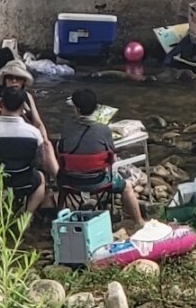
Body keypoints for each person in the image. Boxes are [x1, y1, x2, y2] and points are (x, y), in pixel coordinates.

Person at [57, 88, 146, 225]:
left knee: (63, 180)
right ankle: (139, 223)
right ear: (96, 108)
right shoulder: (104, 130)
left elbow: (61, 152)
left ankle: (59, 219)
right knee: (127, 186)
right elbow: (111, 157)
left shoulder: (67, 128)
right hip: (99, 181)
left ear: (77, 109)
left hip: (70, 182)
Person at [0, 59, 58, 179]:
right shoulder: (0, 100)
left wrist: (44, 138)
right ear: (5, 80)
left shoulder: (27, 97)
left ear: (23, 81)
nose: (14, 81)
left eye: (17, 78)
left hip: (28, 134)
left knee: (47, 145)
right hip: (9, 135)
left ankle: (58, 178)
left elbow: (38, 122)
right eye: (10, 78)